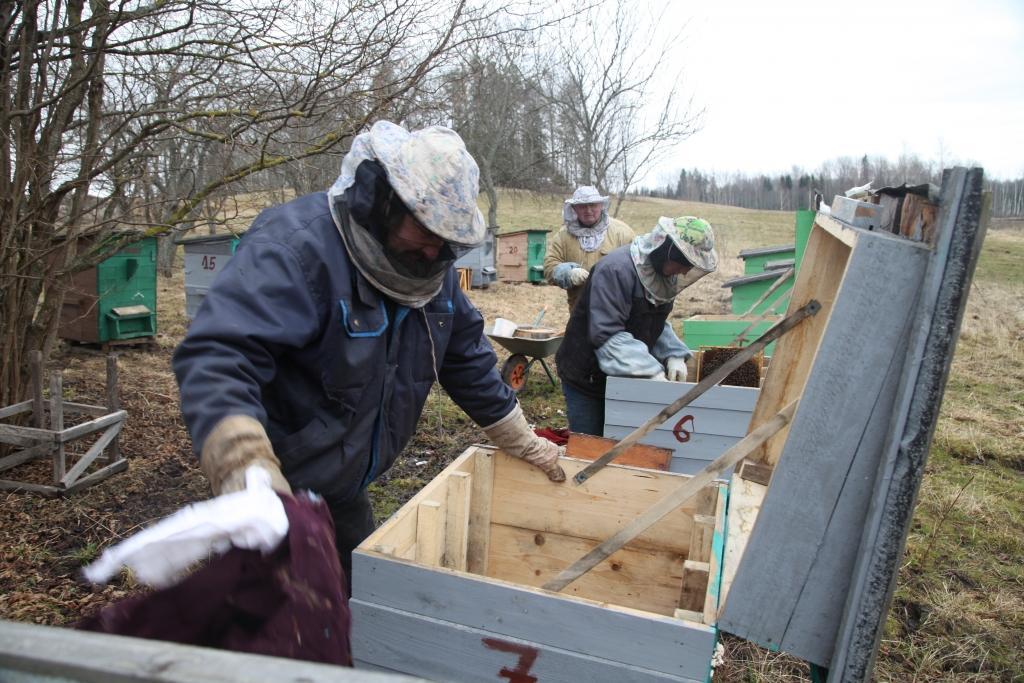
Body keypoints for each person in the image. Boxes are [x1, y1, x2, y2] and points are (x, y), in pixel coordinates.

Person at [173, 121, 566, 581]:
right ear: (382, 202)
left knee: (360, 607)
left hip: (346, 488)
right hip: (276, 486)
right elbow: (220, 355)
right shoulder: (296, 248)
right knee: (267, 628)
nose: (435, 248)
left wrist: (523, 440)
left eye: (446, 238)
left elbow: (469, 361)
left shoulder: (431, 276)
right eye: (423, 229)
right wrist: (244, 467)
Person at [555, 216, 718, 436]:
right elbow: (607, 335)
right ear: (667, 250)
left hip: (622, 376)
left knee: (620, 442)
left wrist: (673, 354)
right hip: (586, 375)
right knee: (590, 445)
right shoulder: (614, 271)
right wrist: (651, 372)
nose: (685, 272)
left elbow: (652, 320)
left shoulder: (662, 276)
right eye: (684, 263)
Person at [543, 186, 635, 310]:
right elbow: (549, 267)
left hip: (617, 309)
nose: (588, 210)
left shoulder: (622, 233)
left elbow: (639, 266)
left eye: (593, 205)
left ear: (601, 205)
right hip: (579, 310)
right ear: (574, 208)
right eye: (582, 206)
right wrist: (568, 274)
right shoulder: (563, 236)